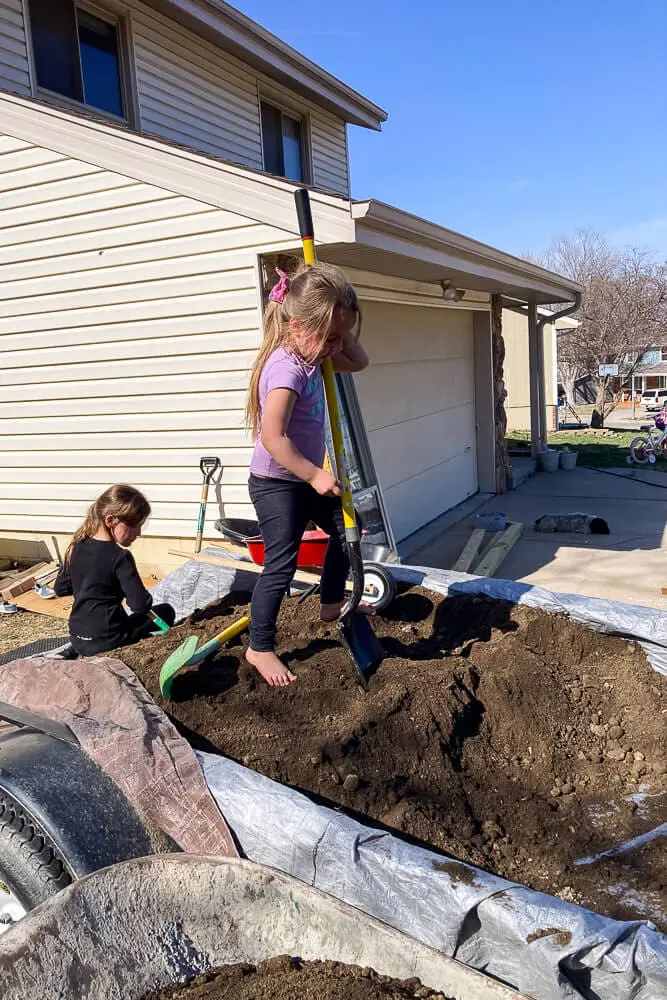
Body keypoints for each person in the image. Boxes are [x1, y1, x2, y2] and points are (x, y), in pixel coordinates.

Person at [245, 262, 372, 687]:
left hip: (303, 477)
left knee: (346, 529)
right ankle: (259, 647)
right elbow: (272, 436)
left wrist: (339, 327)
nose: (337, 347)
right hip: (277, 482)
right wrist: (315, 474)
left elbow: (361, 361)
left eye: (339, 336)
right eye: (329, 336)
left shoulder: (314, 353)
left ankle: (332, 602)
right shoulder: (286, 369)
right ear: (298, 325)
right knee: (280, 564)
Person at [54, 484, 175, 657]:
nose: (138, 532)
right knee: (166, 611)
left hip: (77, 638)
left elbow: (61, 589)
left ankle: (75, 651)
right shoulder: (119, 557)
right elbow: (139, 605)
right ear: (110, 520)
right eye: (134, 525)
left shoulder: (76, 545)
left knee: (115, 621)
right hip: (108, 640)